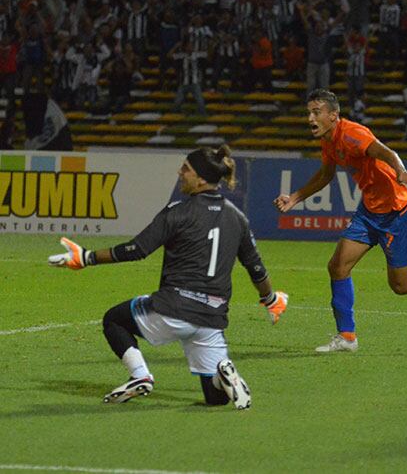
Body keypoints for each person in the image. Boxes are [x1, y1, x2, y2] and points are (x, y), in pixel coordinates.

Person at [48, 146, 288, 409]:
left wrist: (87, 257)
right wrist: (270, 298)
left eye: (186, 168)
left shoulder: (179, 211)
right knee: (215, 399)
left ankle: (140, 375)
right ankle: (222, 376)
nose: (180, 173)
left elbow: (137, 249)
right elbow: (256, 268)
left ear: (200, 179)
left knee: (114, 320)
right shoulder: (238, 218)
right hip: (212, 318)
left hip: (173, 309)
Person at [273, 89, 407, 353]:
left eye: (316, 112)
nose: (310, 117)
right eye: (308, 112)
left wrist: (400, 170)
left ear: (333, 116)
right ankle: (347, 336)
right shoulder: (328, 140)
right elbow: (325, 175)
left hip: (397, 214)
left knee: (401, 285)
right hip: (369, 213)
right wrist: (295, 197)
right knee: (337, 267)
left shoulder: (352, 133)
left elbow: (386, 152)